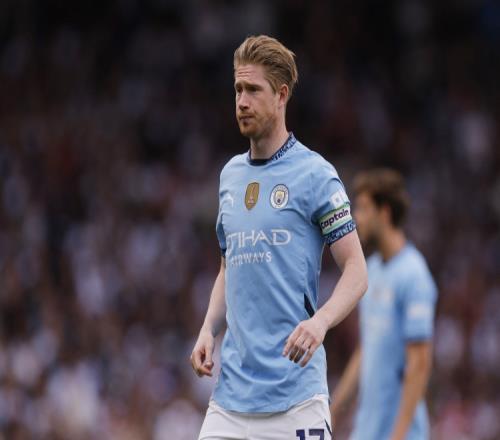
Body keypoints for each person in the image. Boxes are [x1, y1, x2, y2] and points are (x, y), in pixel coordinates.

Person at [190, 35, 367, 440]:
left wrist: (320, 322)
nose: (242, 101)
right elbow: (228, 266)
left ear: (282, 95)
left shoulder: (315, 175)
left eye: (253, 90)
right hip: (230, 402)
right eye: (238, 89)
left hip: (296, 400)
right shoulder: (230, 176)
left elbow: (357, 270)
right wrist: (207, 329)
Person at [330, 169, 438, 440]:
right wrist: (333, 410)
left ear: (385, 212)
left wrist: (398, 435)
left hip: (401, 433)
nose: (357, 218)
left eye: (364, 208)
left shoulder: (414, 274)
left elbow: (419, 363)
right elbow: (366, 348)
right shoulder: (372, 271)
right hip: (367, 429)